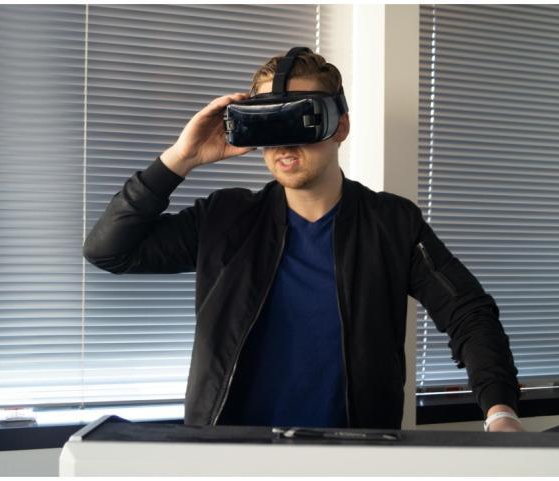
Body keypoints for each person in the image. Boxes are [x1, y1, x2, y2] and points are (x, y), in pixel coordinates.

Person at [83, 48, 523, 432]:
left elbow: (468, 314)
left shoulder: (391, 224)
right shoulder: (223, 218)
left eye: (303, 119)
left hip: (351, 456)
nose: (285, 143)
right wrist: (181, 158)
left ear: (340, 126)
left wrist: (500, 412)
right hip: (228, 455)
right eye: (270, 123)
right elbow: (110, 250)